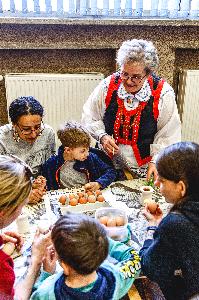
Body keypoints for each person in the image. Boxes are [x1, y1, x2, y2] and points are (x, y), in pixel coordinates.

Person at [82, 39, 181, 181]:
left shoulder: (163, 93)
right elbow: (90, 115)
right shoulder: (108, 86)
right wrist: (102, 136)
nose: (128, 81)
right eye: (124, 74)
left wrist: (156, 161)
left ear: (148, 74)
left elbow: (168, 134)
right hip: (108, 161)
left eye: (136, 77)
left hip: (145, 165)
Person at [30, 212, 141, 299]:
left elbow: (33, 295)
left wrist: (46, 273)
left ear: (65, 267)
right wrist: (100, 239)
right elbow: (135, 259)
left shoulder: (47, 291)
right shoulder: (115, 278)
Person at [139, 142, 199, 300]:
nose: (156, 183)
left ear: (181, 187)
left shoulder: (174, 223)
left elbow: (149, 266)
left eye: (162, 180)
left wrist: (152, 227)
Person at [0, 155, 51, 300]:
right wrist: (35, 262)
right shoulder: (2, 269)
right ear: (3, 213)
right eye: (22, 206)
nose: (22, 211)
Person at [0, 96, 56, 203]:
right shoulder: (2, 139)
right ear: (14, 125)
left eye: (38, 127)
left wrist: (39, 183)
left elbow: (49, 167)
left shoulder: (47, 133)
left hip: (38, 193)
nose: (34, 134)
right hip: (9, 195)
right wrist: (24, 195)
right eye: (26, 129)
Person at [42, 121, 117, 191]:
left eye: (88, 149)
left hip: (88, 197)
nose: (87, 154)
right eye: (83, 151)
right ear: (68, 150)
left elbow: (111, 172)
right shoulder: (51, 164)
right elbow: (47, 185)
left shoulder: (91, 158)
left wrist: (99, 183)